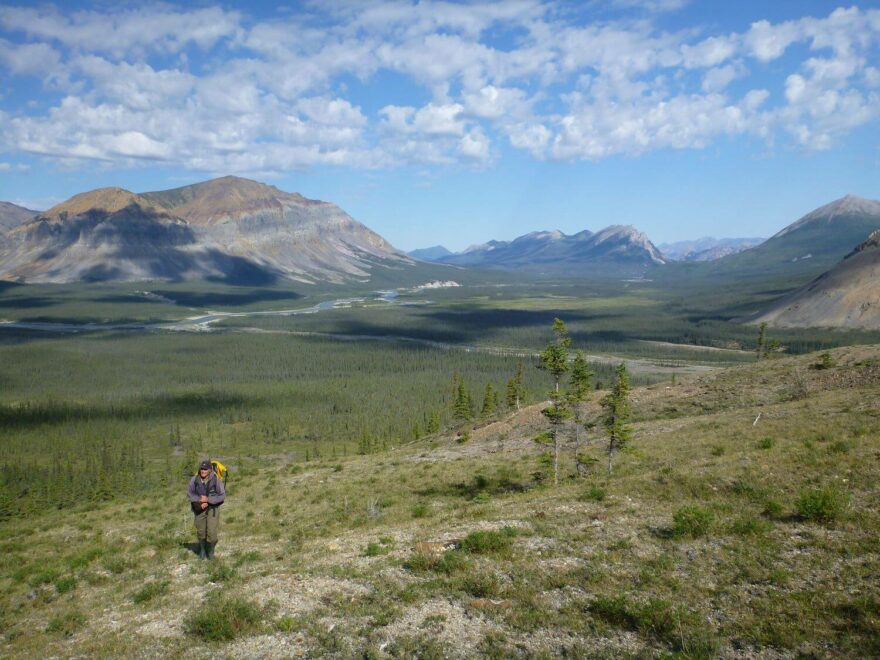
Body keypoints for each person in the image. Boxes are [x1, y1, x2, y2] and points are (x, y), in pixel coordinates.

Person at [187, 459, 226, 559]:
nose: (203, 471)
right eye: (201, 469)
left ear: (210, 470)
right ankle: (203, 550)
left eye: (205, 469)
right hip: (199, 509)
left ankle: (211, 550)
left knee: (212, 534)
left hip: (213, 509)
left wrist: (208, 500)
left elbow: (222, 496)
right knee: (201, 532)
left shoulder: (216, 480)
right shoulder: (194, 480)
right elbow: (190, 494)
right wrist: (200, 500)